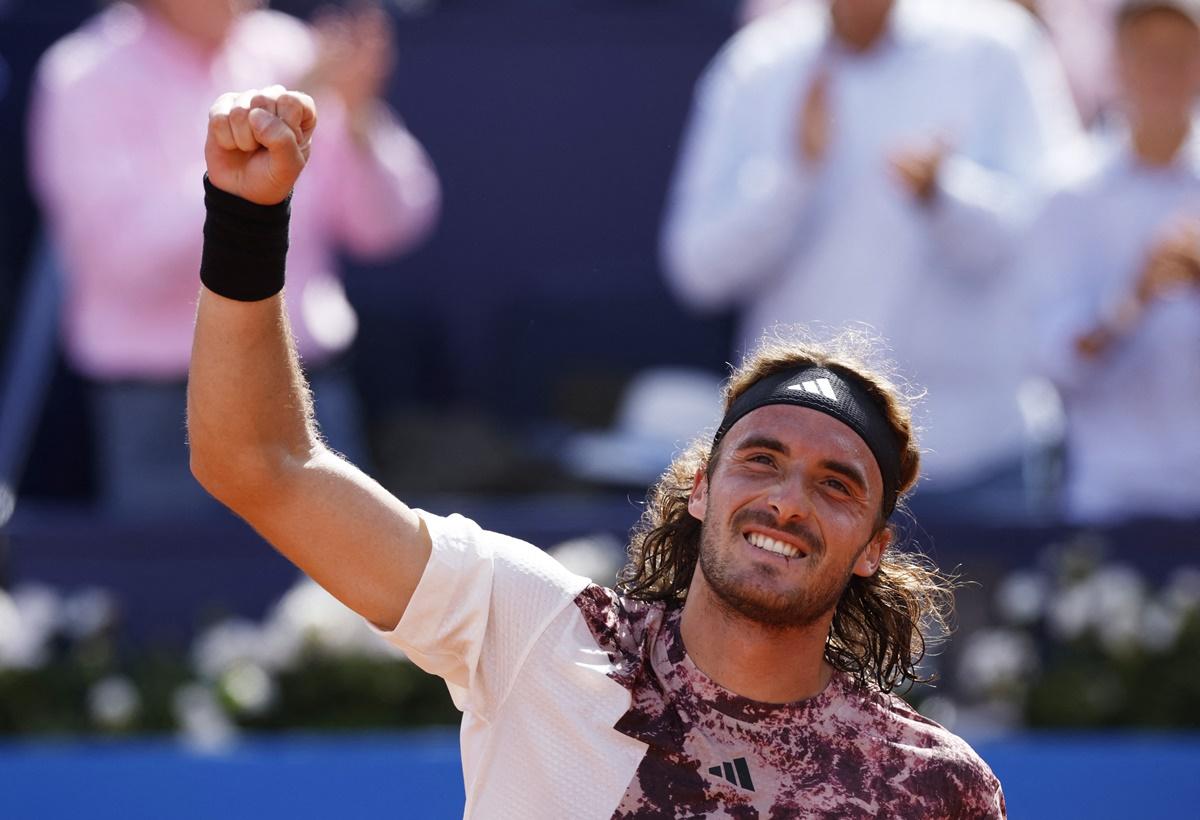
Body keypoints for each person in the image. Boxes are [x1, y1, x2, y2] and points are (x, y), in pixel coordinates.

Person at [188, 86, 1005, 817]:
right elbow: (257, 462)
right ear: (699, 486)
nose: (788, 500)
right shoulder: (537, 628)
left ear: (874, 548)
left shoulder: (929, 789)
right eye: (761, 459)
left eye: (837, 485)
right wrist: (245, 221)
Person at [661, 0, 1079, 511]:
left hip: (976, 459)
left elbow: (1052, 244)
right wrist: (792, 178)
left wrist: (944, 196)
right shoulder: (757, 64)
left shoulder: (998, 48)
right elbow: (696, 271)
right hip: (811, 480)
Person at [28, 0, 439, 516]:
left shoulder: (287, 50)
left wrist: (358, 117)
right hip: (162, 416)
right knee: (185, 594)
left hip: (308, 398)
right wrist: (249, 169)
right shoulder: (83, 76)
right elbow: (124, 258)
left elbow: (391, 225)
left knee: (335, 598)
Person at [1026, 0, 1200, 523]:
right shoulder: (1069, 193)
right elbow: (1052, 362)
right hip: (1105, 493)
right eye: (1149, 55)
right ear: (1118, 66)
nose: (1164, 73)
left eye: (1179, 55)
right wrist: (1133, 299)